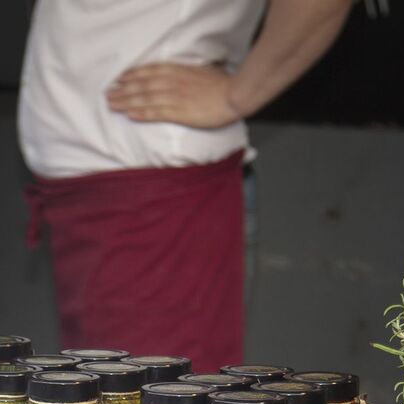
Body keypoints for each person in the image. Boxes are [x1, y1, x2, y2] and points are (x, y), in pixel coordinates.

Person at [20, 0, 353, 371]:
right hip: (104, 197)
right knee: (109, 396)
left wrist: (235, 96)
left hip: (154, 198)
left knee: (152, 401)